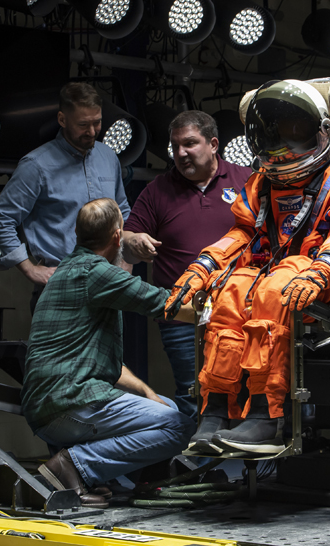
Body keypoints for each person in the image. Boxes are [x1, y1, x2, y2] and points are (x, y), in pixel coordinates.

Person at [166, 79, 330, 454]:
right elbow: (243, 233)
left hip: (325, 281)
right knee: (229, 290)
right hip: (274, 274)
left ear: (321, 132)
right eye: (274, 134)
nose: (282, 147)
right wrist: (203, 266)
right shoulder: (261, 183)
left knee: (271, 289)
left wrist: (322, 270)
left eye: (294, 133)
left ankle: (268, 414)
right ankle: (217, 410)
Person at [22, 199, 196, 508]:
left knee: (165, 405)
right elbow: (166, 305)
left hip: (52, 403)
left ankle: (150, 481)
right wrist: (228, 307)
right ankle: (73, 467)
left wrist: (146, 392)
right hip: (70, 403)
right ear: (118, 237)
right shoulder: (96, 273)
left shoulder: (66, 270)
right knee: (179, 425)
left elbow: (109, 366)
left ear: (76, 233)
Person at [123, 111, 252, 417]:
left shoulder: (246, 180)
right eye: (176, 145)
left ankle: (248, 462)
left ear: (214, 144)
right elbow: (127, 235)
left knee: (245, 393)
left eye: (190, 144)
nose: (181, 153)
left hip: (240, 313)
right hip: (183, 317)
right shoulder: (158, 190)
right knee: (194, 396)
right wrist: (134, 240)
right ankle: (201, 464)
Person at [0, 82, 131, 310]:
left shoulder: (109, 157)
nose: (93, 132)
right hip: (60, 289)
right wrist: (29, 268)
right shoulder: (36, 165)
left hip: (108, 286)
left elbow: (122, 211)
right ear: (62, 120)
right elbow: (1, 219)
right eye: (83, 125)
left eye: (97, 122)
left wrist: (125, 260)